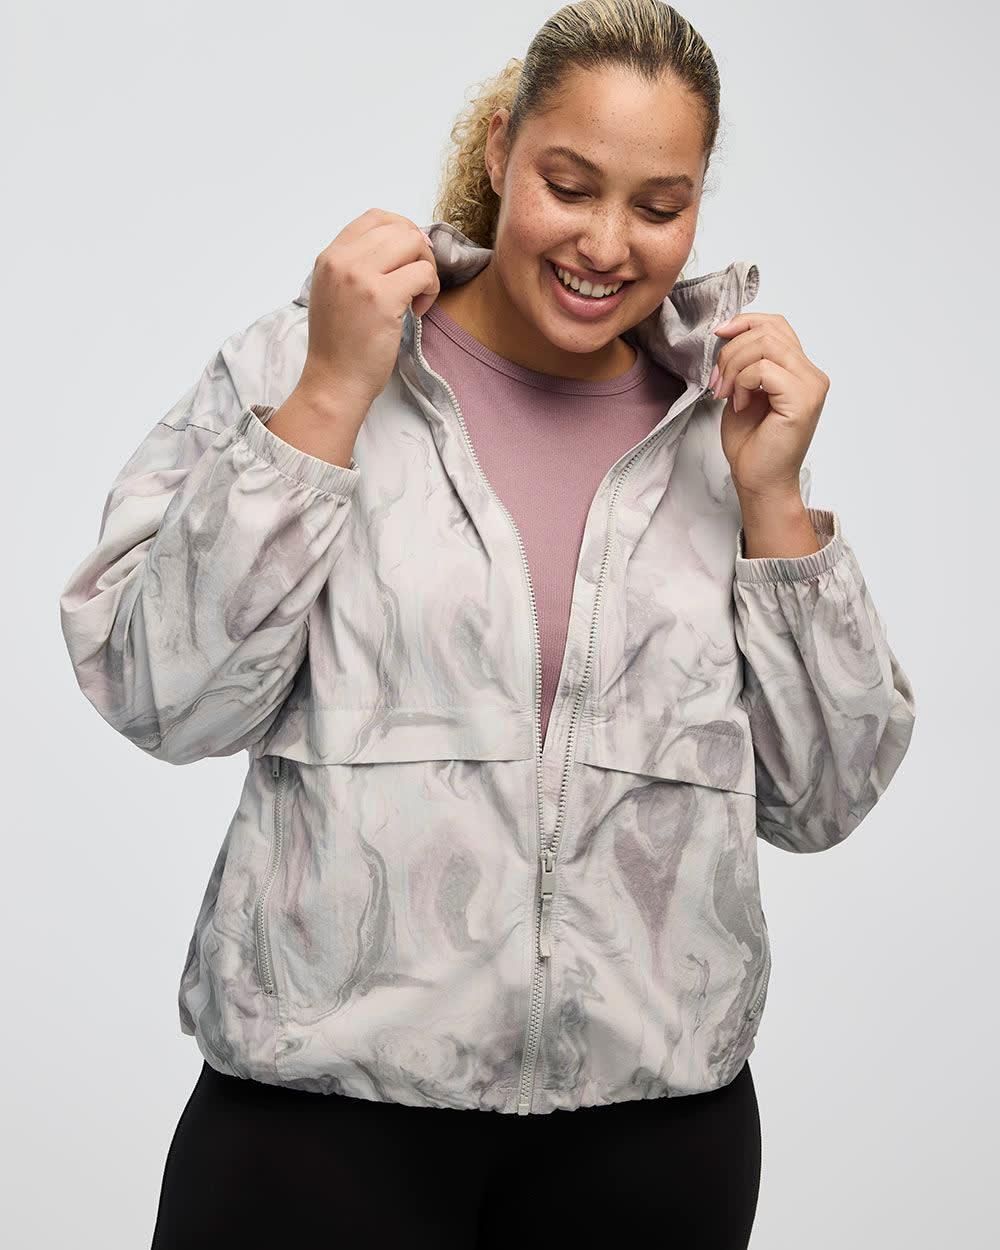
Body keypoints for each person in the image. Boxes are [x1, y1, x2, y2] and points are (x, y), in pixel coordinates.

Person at [57, 2, 916, 1246]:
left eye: (659, 205)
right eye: (569, 185)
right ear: (501, 147)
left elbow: (823, 797)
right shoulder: (310, 357)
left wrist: (775, 501)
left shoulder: (722, 426)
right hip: (316, 1128)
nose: (605, 244)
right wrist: (328, 395)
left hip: (651, 1143)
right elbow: (160, 694)